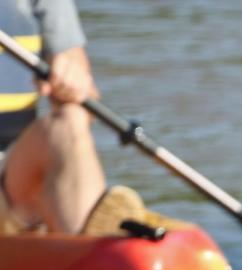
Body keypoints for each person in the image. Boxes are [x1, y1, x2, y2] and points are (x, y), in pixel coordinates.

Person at [0, 0, 143, 236]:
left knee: (70, 121)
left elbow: (86, 102)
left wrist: (71, 82)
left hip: (10, 179)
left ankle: (94, 260)